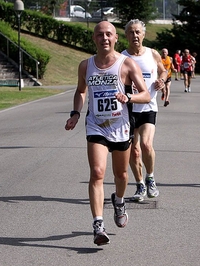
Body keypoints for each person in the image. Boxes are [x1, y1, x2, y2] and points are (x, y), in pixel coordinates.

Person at [64, 21, 150, 245]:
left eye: (108, 34)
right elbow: (81, 91)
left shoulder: (127, 64)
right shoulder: (86, 65)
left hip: (120, 126)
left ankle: (119, 201)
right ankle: (98, 224)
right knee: (97, 172)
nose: (104, 38)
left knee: (121, 175)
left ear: (115, 39)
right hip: (96, 126)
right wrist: (75, 113)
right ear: (94, 38)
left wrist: (128, 97)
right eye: (100, 35)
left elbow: (146, 95)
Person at [122, 19, 168, 202]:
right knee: (134, 151)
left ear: (143, 34)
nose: (135, 35)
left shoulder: (152, 54)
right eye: (131, 32)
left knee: (146, 145)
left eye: (138, 32)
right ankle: (139, 184)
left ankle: (150, 177)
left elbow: (163, 71)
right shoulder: (122, 58)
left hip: (149, 106)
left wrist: (161, 80)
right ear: (126, 36)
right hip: (129, 108)